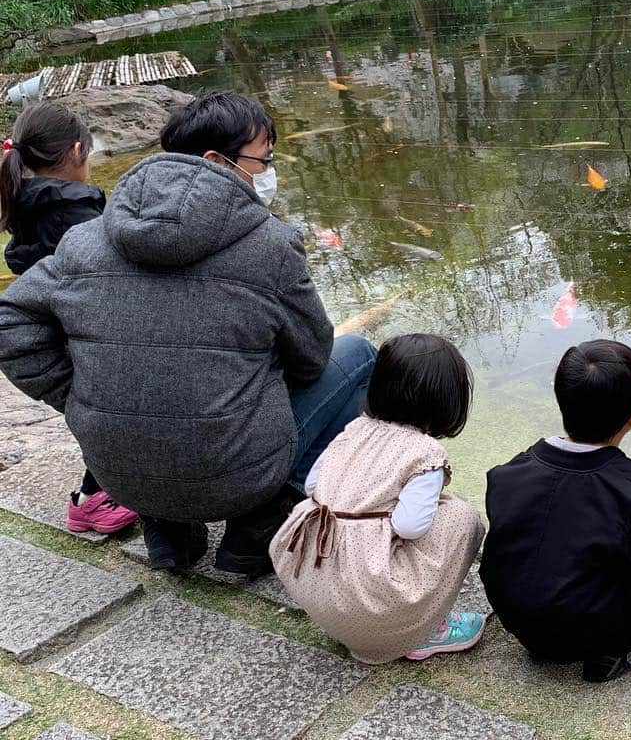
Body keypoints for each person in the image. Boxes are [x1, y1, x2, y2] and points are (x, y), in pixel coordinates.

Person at [0, 91, 375, 576]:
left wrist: (76, 395)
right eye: (264, 159)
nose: (268, 171)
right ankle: (259, 521)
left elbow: (10, 322)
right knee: (359, 353)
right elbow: (311, 359)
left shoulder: (86, 239)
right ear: (218, 161)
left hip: (120, 477)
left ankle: (168, 529)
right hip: (237, 476)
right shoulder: (272, 245)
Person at [480, 339, 631, 683]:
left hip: (513, 617)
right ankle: (614, 650)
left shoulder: (510, 471)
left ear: (560, 399)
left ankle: (550, 636)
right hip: (582, 631)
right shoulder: (628, 485)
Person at [271, 333, 486, 663]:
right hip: (371, 602)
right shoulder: (424, 453)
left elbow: (315, 486)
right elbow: (410, 526)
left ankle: (360, 625)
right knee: (460, 517)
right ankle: (424, 630)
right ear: (446, 400)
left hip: (319, 588)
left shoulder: (354, 429)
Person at [0, 105, 138, 535]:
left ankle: (99, 493)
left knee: (99, 421)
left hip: (58, 327)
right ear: (77, 151)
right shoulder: (72, 213)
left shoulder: (29, 199)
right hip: (80, 331)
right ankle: (91, 501)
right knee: (109, 421)